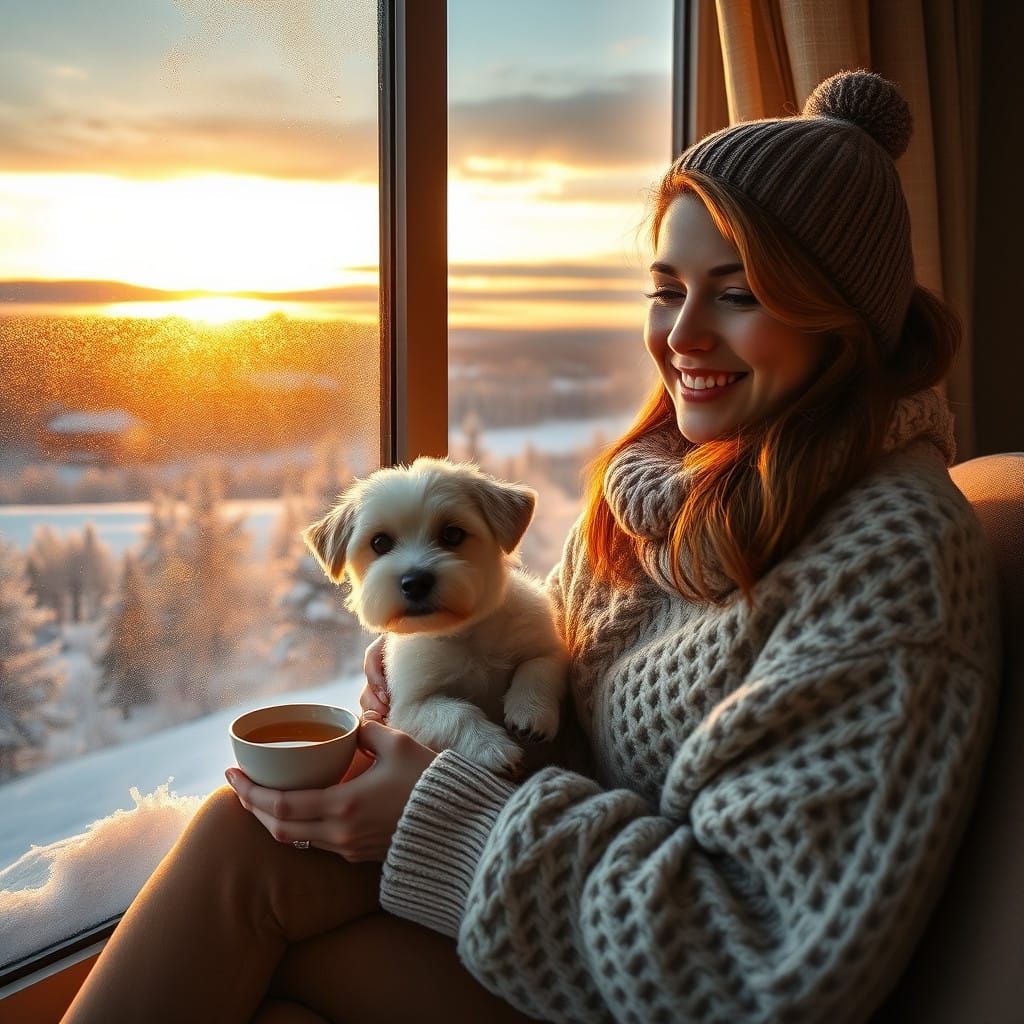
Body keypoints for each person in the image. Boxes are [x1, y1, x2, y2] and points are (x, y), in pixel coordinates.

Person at [63, 70, 999, 1024]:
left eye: (740, 294)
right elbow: (574, 693)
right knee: (250, 851)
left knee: (243, 880)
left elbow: (767, 961)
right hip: (564, 919)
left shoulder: (889, 565)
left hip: (649, 984)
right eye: (667, 288)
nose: (681, 334)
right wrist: (426, 708)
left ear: (842, 321)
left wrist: (445, 818)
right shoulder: (666, 490)